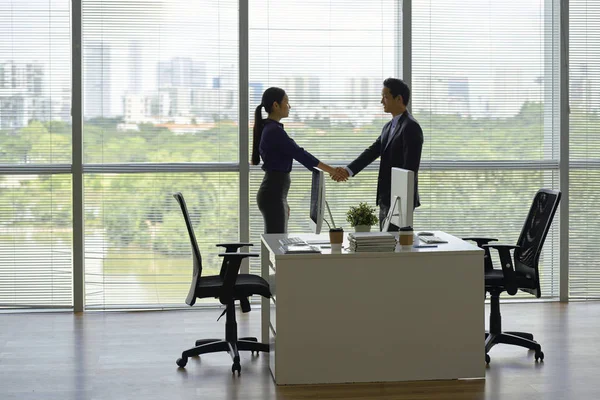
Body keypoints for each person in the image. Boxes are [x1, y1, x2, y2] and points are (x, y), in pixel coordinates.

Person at [333, 78, 423, 231]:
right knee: (386, 244)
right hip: (386, 197)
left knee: (395, 246)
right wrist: (348, 170)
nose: (382, 101)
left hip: (400, 200)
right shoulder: (388, 127)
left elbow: (410, 168)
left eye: (385, 97)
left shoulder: (411, 127)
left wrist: (401, 200)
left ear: (399, 99)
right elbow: (371, 152)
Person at [251, 87, 341, 234]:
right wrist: (332, 171)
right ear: (276, 105)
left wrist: (283, 200)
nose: (289, 106)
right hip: (273, 194)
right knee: (276, 242)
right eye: (286, 102)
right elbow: (300, 154)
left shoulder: (270, 128)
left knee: (276, 239)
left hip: (275, 193)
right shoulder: (274, 131)